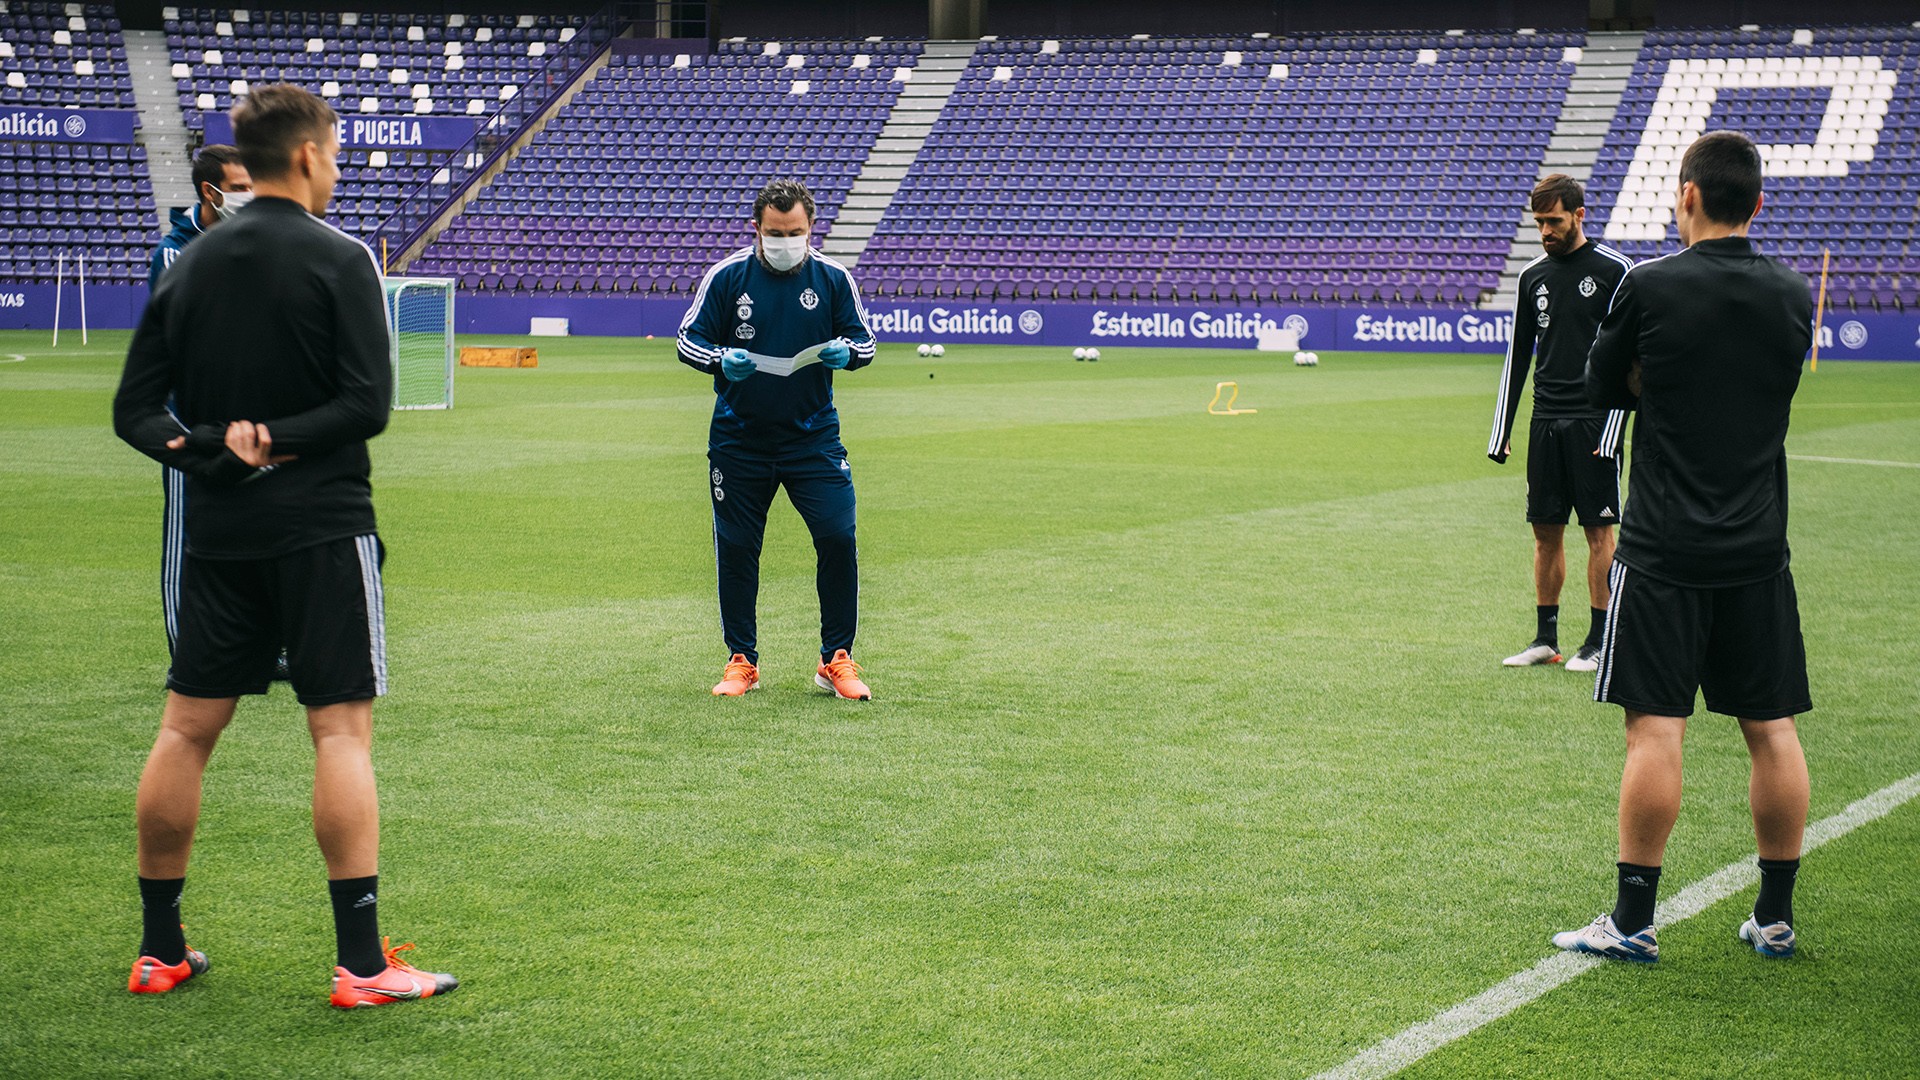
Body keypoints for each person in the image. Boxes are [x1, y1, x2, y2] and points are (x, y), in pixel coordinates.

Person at [113, 84, 455, 1007]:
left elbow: (133, 412)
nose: (337, 171)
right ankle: (362, 965)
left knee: (185, 730)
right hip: (320, 528)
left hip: (219, 535)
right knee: (338, 729)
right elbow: (364, 408)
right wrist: (278, 438)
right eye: (336, 156)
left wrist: (205, 452)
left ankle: (159, 950)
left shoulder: (188, 262)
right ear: (305, 157)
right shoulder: (338, 258)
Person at [1553, 131, 1813, 963]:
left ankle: (1632, 922)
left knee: (1654, 732)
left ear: (1688, 196)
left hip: (1663, 549)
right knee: (1771, 729)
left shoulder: (1652, 286)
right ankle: (1774, 917)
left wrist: (1649, 376)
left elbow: (1601, 386)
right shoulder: (1790, 293)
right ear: (1758, 204)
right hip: (1758, 549)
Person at [677, 178, 878, 700]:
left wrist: (847, 354)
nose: (786, 241)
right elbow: (687, 340)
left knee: (838, 537)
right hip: (739, 440)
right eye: (775, 232)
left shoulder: (833, 278)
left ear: (812, 229)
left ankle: (836, 658)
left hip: (813, 439)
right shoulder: (727, 277)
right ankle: (741, 660)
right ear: (757, 230)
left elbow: (866, 342)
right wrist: (722, 359)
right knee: (738, 548)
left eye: (796, 232)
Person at [1487, 174, 1634, 671]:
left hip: (1596, 421)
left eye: (1554, 221)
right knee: (1545, 532)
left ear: (1578, 215)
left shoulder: (1616, 271)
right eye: (1539, 223)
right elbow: (1517, 357)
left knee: (1599, 534)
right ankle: (1545, 639)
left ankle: (1598, 640)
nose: (1546, 231)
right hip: (1546, 420)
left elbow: (1632, 359)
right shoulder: (1533, 277)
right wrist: (1501, 430)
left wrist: (1615, 427)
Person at [149, 144, 252, 660]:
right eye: (239, 188)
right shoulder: (174, 252)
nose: (249, 196)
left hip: (251, 415)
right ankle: (189, 648)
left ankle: (260, 643)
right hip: (189, 417)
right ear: (211, 192)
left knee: (256, 527)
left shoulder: (252, 242)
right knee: (186, 534)